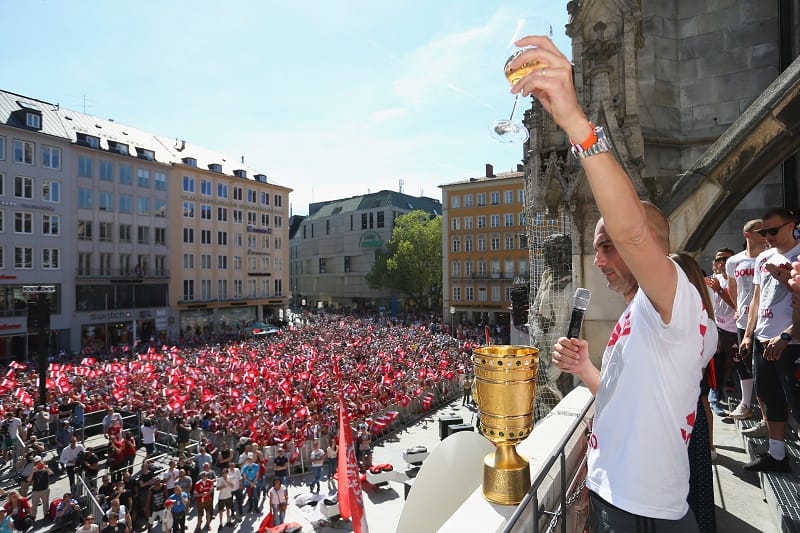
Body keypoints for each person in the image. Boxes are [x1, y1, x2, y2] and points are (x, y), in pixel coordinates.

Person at [526, 35, 708, 530]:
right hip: (616, 501)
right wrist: (587, 368)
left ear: (646, 246)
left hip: (642, 515)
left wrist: (575, 123)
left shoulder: (678, 304)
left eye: (609, 246)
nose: (598, 257)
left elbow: (629, 227)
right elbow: (623, 399)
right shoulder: (641, 313)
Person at [739, 207, 800, 472]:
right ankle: (777, 456)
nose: (768, 237)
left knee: (796, 403)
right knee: (770, 397)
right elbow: (757, 298)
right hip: (764, 338)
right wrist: (749, 335)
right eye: (764, 232)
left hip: (792, 341)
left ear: (791, 226)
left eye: (773, 231)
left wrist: (787, 334)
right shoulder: (763, 257)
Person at [725, 219, 768, 423]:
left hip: (767, 321)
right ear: (748, 235)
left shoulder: (770, 257)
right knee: (744, 363)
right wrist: (737, 308)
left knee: (766, 367)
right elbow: (733, 288)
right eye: (761, 231)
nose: (766, 233)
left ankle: (769, 413)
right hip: (744, 321)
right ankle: (745, 403)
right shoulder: (734, 261)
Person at [704, 248, 738, 418]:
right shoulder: (711, 280)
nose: (722, 263)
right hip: (717, 325)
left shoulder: (737, 279)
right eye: (719, 259)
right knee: (716, 357)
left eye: (726, 259)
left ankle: (728, 382)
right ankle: (715, 393)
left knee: (732, 360)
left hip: (735, 327)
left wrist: (720, 290)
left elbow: (737, 306)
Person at [27, 456, 52, 522]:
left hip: (45, 489)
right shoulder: (34, 470)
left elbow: (51, 474)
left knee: (45, 503)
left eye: (39, 462)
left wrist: (46, 468)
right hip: (36, 491)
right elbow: (29, 480)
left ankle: (46, 515)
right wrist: (33, 471)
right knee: (34, 505)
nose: (38, 464)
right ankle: (33, 517)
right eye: (36, 463)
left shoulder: (45, 468)